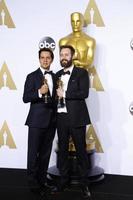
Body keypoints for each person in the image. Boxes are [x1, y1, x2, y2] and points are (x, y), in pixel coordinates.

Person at [55, 45, 92, 200]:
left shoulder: (82, 73)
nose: (64, 57)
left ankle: (84, 184)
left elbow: (84, 93)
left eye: (66, 54)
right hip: (61, 118)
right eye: (62, 54)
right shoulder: (56, 74)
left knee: (81, 152)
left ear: (72, 56)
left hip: (77, 118)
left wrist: (65, 93)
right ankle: (63, 181)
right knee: (62, 151)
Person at [23, 47, 56, 197]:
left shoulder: (56, 77)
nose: (45, 60)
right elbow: (25, 97)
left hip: (52, 121)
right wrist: (38, 92)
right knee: (33, 154)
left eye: (48, 57)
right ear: (39, 59)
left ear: (51, 59)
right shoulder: (32, 76)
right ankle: (32, 184)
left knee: (45, 154)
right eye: (42, 57)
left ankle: (42, 181)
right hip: (36, 121)